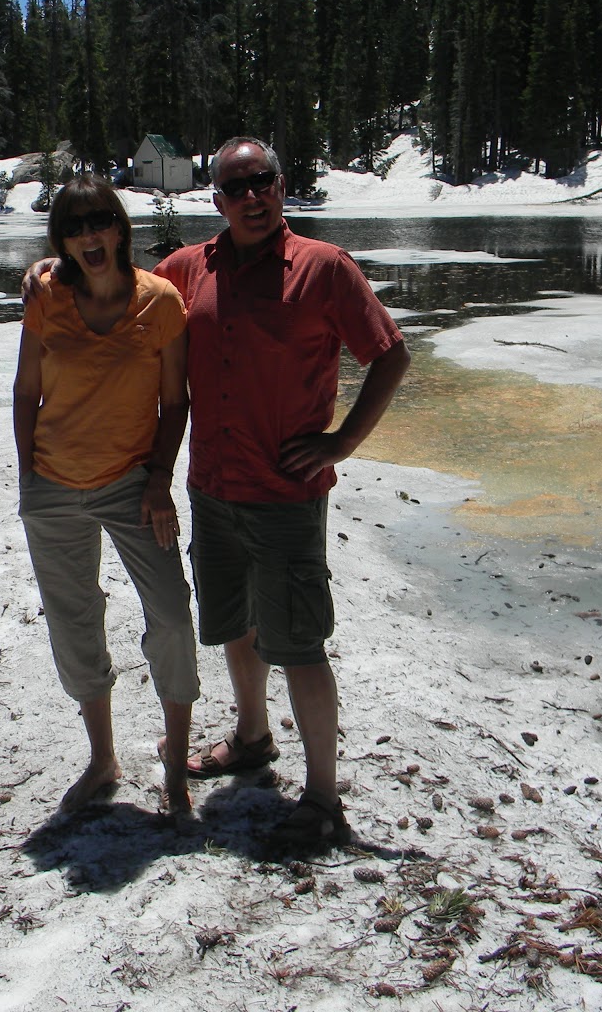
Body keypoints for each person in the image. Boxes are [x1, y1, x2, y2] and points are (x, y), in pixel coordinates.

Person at [151, 135, 410, 849]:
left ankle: (323, 796)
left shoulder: (323, 268)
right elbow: (123, 292)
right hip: (212, 488)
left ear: (281, 185)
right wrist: (53, 269)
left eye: (262, 181)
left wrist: (342, 441)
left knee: (298, 642)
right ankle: (253, 736)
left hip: (286, 495)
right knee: (234, 623)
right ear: (218, 201)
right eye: (237, 187)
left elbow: (390, 355)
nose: (253, 197)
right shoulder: (188, 269)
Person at [13, 175, 198, 818]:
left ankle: (176, 763)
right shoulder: (47, 296)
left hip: (131, 484)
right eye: (74, 227)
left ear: (120, 227)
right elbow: (25, 392)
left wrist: (158, 481)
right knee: (74, 621)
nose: (90, 236)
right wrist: (29, 477)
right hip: (53, 485)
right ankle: (102, 759)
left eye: (100, 222)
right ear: (61, 241)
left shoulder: (160, 302)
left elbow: (174, 403)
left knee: (171, 615)